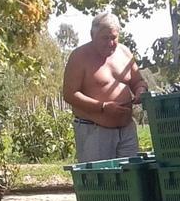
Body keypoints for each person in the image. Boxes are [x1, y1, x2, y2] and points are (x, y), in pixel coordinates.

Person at [63, 12, 147, 163]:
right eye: (105, 38)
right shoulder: (79, 57)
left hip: (126, 129)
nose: (110, 43)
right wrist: (102, 107)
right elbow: (70, 94)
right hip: (94, 130)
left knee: (131, 179)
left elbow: (138, 81)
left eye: (114, 37)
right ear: (92, 35)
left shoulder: (124, 52)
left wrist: (141, 91)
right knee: (100, 181)